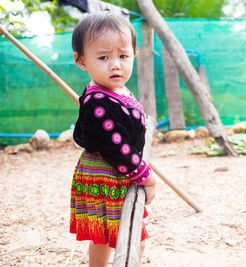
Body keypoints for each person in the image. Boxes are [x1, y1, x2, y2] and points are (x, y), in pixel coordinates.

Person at [69, 12, 156, 267]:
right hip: (109, 174)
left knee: (103, 236)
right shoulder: (99, 102)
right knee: (131, 236)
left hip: (112, 172)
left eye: (123, 56)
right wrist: (146, 177)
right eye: (104, 57)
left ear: (134, 55)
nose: (115, 64)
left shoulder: (115, 88)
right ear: (82, 61)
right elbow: (117, 148)